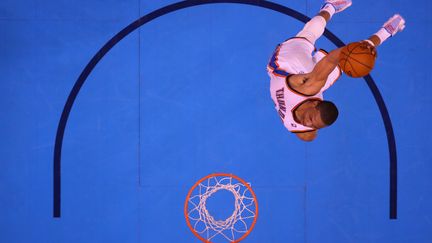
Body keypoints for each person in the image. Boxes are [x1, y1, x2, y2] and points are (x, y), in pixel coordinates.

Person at [268, 0, 405, 141]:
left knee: (344, 64)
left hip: (310, 78)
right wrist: (358, 50)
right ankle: (332, 6)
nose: (307, 123)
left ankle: (385, 31)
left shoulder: (303, 130)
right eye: (310, 118)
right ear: (315, 103)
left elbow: (310, 134)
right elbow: (331, 58)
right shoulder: (311, 86)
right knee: (311, 36)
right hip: (289, 64)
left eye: (314, 125)